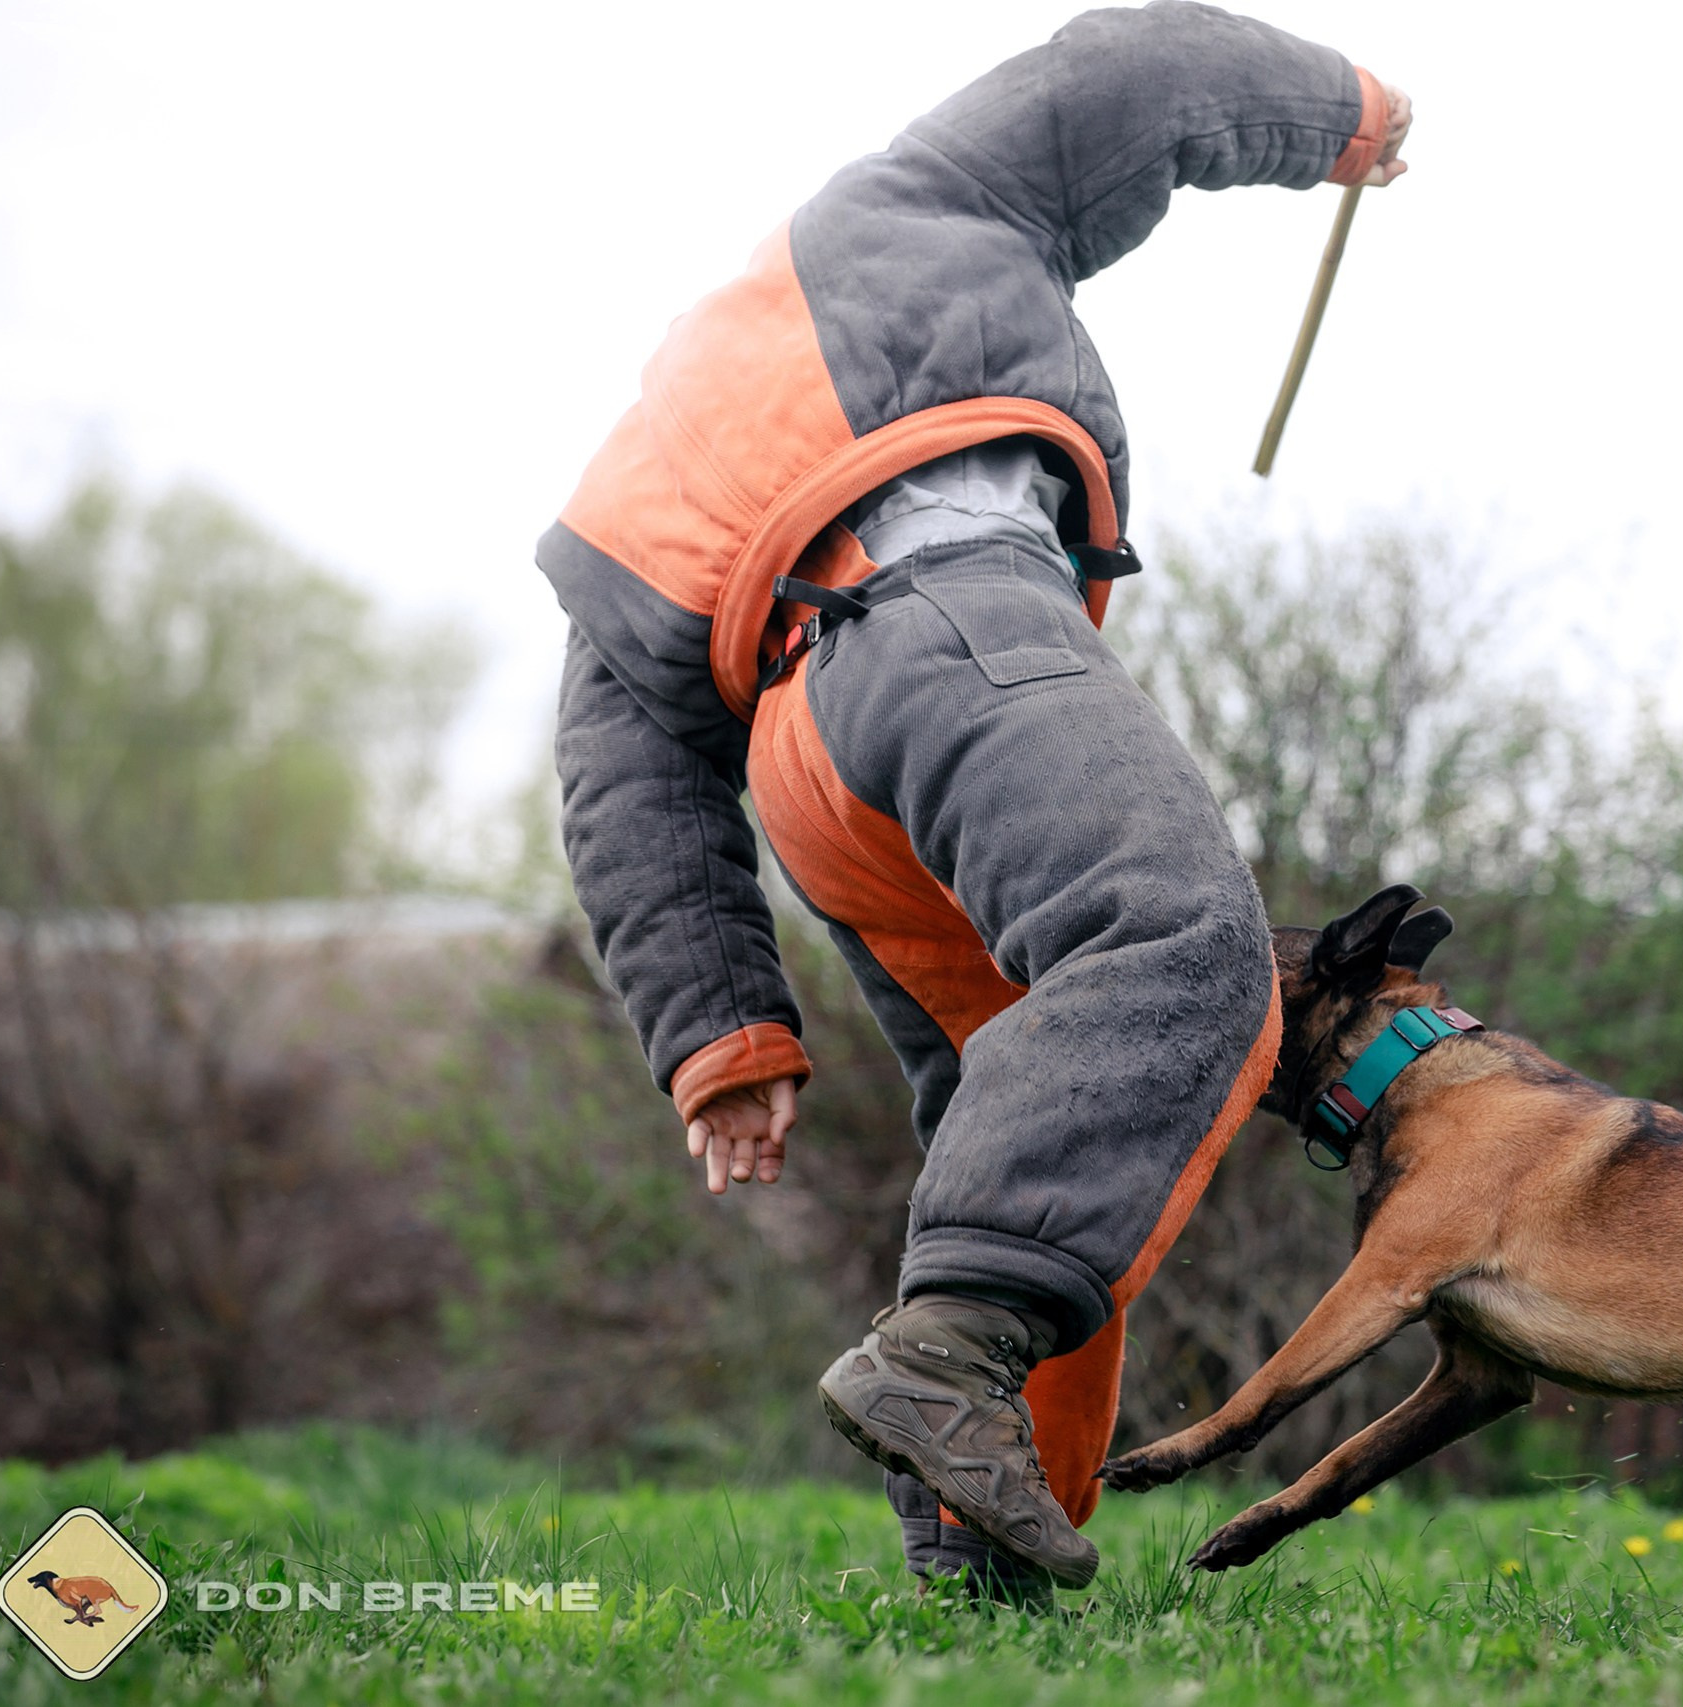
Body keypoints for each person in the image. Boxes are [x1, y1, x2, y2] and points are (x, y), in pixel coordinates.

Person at [539, 3, 1411, 1603]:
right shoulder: (912, 205)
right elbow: (1137, 75)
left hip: (808, 765)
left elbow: (620, 771)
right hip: (952, 619)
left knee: (1015, 1109)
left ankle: (976, 1562)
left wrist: (722, 1035)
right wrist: (1342, 111)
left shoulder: (635, 478)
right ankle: (945, 1355)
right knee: (1177, 943)